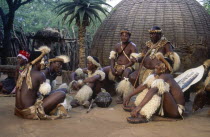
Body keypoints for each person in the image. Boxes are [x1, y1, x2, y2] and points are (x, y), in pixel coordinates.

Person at [123, 53, 185, 124]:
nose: (155, 66)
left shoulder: (166, 76)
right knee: (149, 87)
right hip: (167, 109)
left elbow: (153, 91)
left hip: (176, 111)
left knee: (158, 90)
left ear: (166, 68)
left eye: (158, 65)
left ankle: (144, 116)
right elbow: (143, 86)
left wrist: (139, 108)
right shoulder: (156, 76)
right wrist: (129, 96)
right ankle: (138, 106)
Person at [14, 46, 68, 120]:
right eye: (44, 60)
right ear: (38, 61)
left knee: (58, 91)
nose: (45, 63)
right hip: (30, 112)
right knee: (62, 93)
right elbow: (44, 93)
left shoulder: (24, 72)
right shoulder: (40, 74)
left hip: (18, 110)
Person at [103, 29, 138, 104]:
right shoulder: (117, 45)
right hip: (116, 65)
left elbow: (133, 61)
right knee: (104, 70)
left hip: (128, 66)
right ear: (120, 36)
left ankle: (121, 95)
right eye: (122, 35)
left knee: (125, 73)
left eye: (126, 36)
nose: (124, 37)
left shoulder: (133, 46)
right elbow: (112, 57)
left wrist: (123, 67)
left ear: (129, 36)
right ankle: (110, 90)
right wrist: (112, 68)